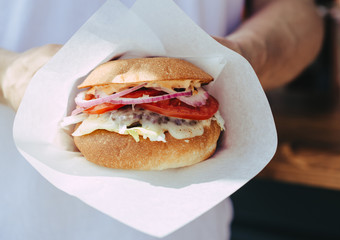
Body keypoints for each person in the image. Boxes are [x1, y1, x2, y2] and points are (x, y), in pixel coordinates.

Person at [0, 0, 323, 239]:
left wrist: (244, 55)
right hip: (20, 214)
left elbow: (297, 12)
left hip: (194, 225)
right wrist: (10, 72)